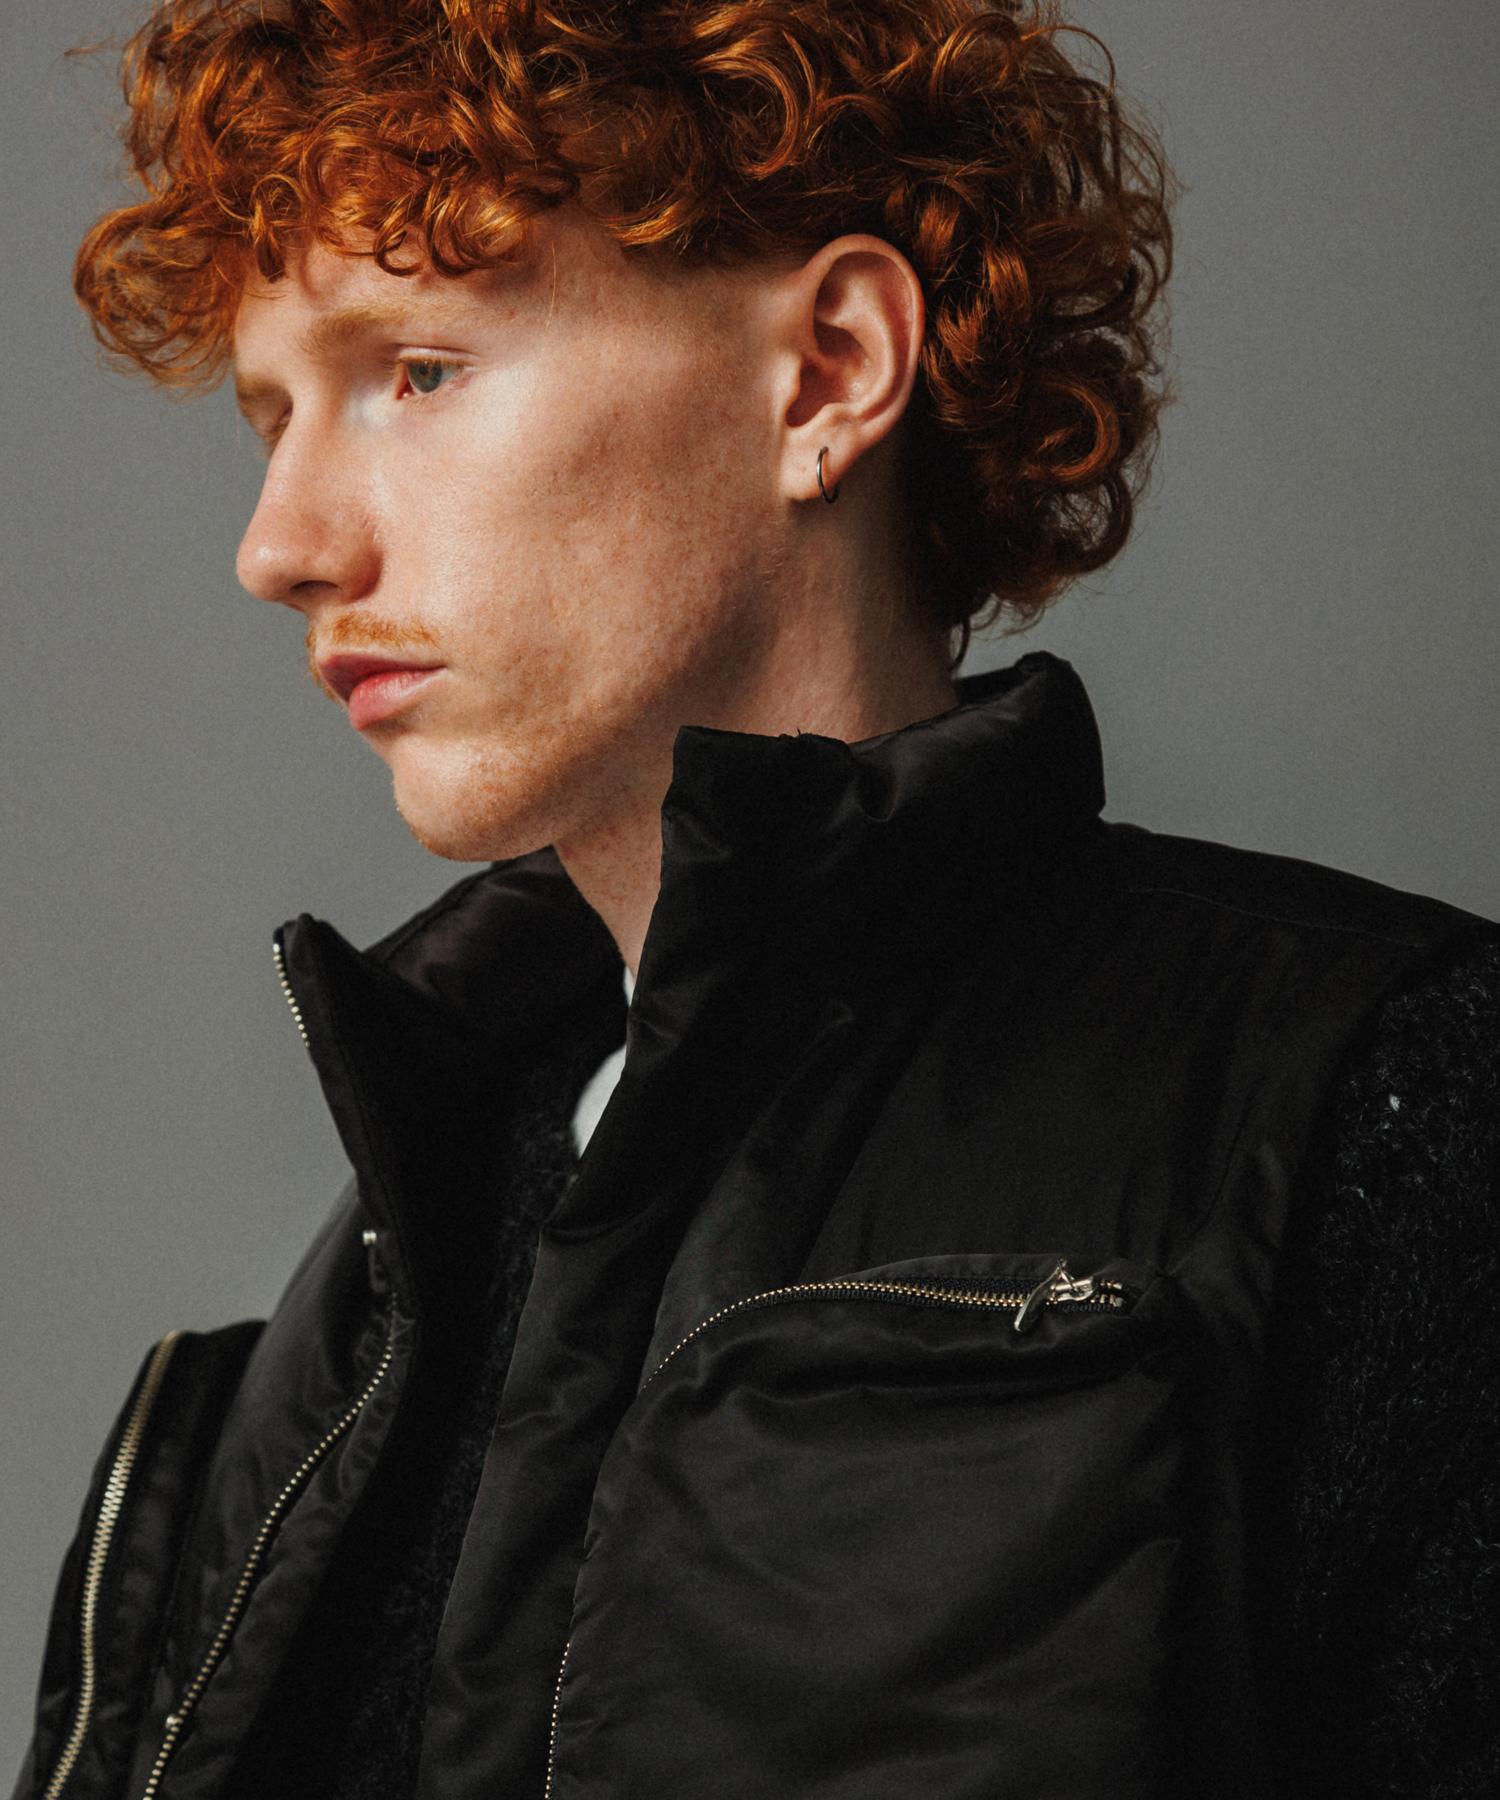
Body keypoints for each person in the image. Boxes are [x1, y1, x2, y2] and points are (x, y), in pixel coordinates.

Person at [15, 1, 1498, 1796]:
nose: (281, 545)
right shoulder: (365, 1305)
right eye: (270, 416)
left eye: (416, 371)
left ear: (828, 371)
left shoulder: (1388, 1107)